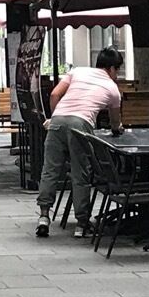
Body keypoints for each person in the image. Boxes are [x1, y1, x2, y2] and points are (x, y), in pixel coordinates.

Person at [35, 46, 124, 238]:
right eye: (117, 70)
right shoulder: (112, 89)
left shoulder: (77, 71)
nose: (117, 75)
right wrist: (117, 129)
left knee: (50, 170)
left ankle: (43, 217)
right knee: (80, 173)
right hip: (81, 124)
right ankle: (81, 224)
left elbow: (55, 94)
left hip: (57, 121)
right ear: (111, 68)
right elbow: (115, 122)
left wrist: (55, 117)